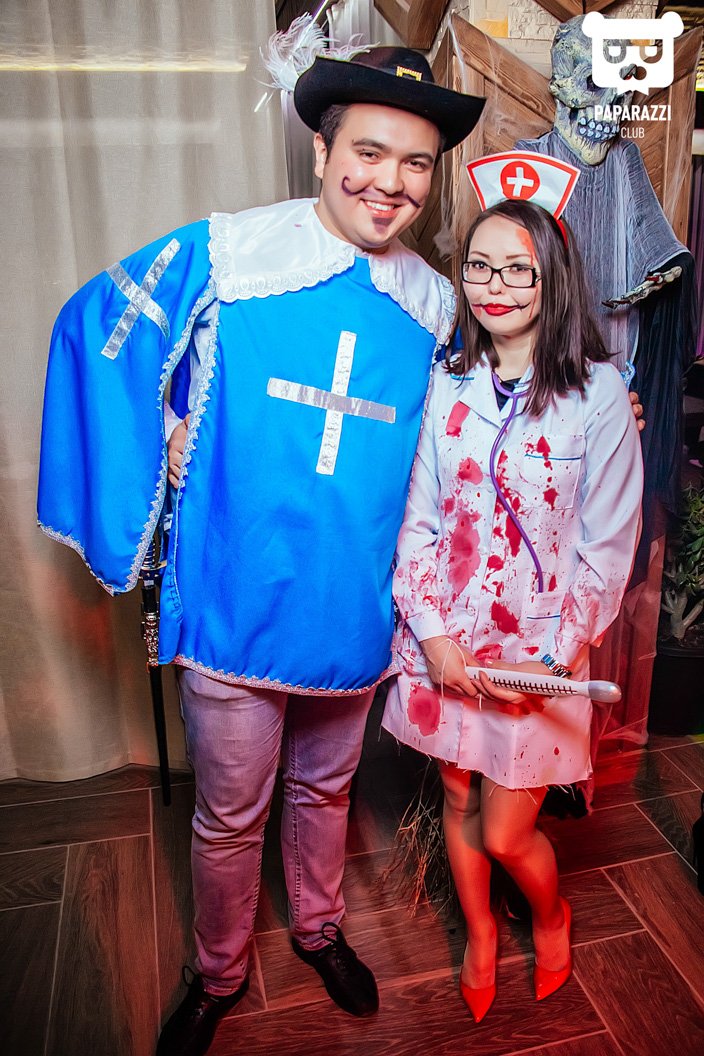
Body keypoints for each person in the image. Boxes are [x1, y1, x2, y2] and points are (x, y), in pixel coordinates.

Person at [38, 46, 486, 1056]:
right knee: (229, 814)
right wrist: (166, 430)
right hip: (238, 595)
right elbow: (101, 329)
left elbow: (475, 429)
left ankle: (318, 930)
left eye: (415, 164)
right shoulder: (231, 252)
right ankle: (218, 973)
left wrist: (593, 401)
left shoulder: (433, 302)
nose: (389, 183)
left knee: (324, 790)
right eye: (367, 152)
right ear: (322, 149)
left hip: (352, 602)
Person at [382, 162, 643, 1024]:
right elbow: (418, 520)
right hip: (446, 643)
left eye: (517, 269)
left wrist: (551, 659)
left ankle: (551, 914)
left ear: (552, 279)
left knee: (505, 829)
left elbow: (608, 544)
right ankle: (482, 935)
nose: (493, 286)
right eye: (479, 267)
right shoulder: (444, 383)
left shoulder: (599, 396)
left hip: (537, 654)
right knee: (457, 796)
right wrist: (433, 637)